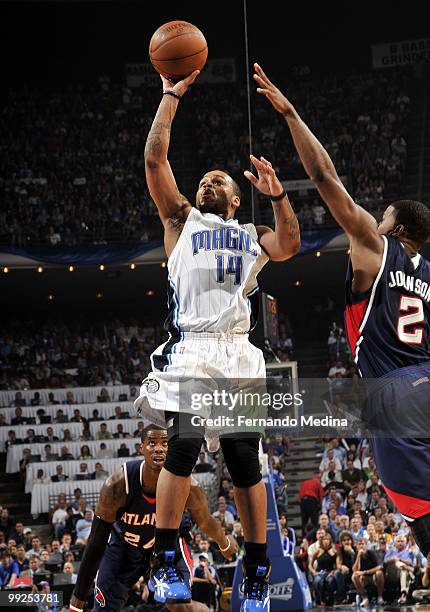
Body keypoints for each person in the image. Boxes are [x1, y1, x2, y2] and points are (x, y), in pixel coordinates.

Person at [137, 66, 300, 610]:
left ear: (235, 198)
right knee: (182, 445)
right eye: (204, 178)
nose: (209, 181)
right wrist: (170, 96)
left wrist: (278, 197)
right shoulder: (181, 221)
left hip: (237, 349)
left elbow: (290, 245)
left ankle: (256, 565)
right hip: (193, 346)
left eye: (219, 180)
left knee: (243, 461)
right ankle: (164, 558)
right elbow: (155, 158)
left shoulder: (250, 234)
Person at [253, 62, 430, 560]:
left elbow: (323, 175)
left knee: (418, 512)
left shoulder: (375, 244)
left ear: (394, 226)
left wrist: (289, 113)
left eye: (384, 213)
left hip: (393, 391)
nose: (377, 216)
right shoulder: (429, 273)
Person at [69, 425, 238, 612]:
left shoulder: (188, 485)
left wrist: (224, 543)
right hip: (122, 548)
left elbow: (205, 520)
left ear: (172, 447)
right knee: (103, 609)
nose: (158, 448)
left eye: (165, 443)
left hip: (164, 549)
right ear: (141, 448)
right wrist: (77, 598)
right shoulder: (118, 484)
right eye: (152, 443)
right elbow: (96, 542)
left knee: (181, 606)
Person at [352, 537, 385, 606]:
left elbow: (379, 567)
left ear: (366, 545)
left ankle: (380, 597)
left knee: (379, 573)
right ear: (356, 546)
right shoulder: (355, 555)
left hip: (373, 576)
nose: (361, 546)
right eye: (359, 544)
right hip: (363, 579)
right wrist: (358, 557)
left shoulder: (371, 553)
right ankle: (364, 598)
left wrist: (364, 572)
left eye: (362, 544)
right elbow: (355, 570)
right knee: (354, 576)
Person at [310, 533, 337, 607]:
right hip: (320, 572)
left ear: (330, 541)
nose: (326, 541)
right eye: (324, 539)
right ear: (322, 541)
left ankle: (331, 601)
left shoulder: (334, 551)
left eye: (327, 539)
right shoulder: (318, 551)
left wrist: (333, 571)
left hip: (330, 572)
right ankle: (319, 601)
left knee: (330, 581)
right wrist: (314, 572)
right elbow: (310, 564)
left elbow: (338, 565)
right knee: (317, 581)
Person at [299, 472, 325, 536]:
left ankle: (304, 536)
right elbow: (321, 496)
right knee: (315, 521)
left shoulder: (304, 483)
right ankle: (315, 536)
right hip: (312, 500)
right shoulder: (317, 483)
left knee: (304, 521)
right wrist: (321, 508)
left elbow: (299, 496)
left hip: (303, 501)